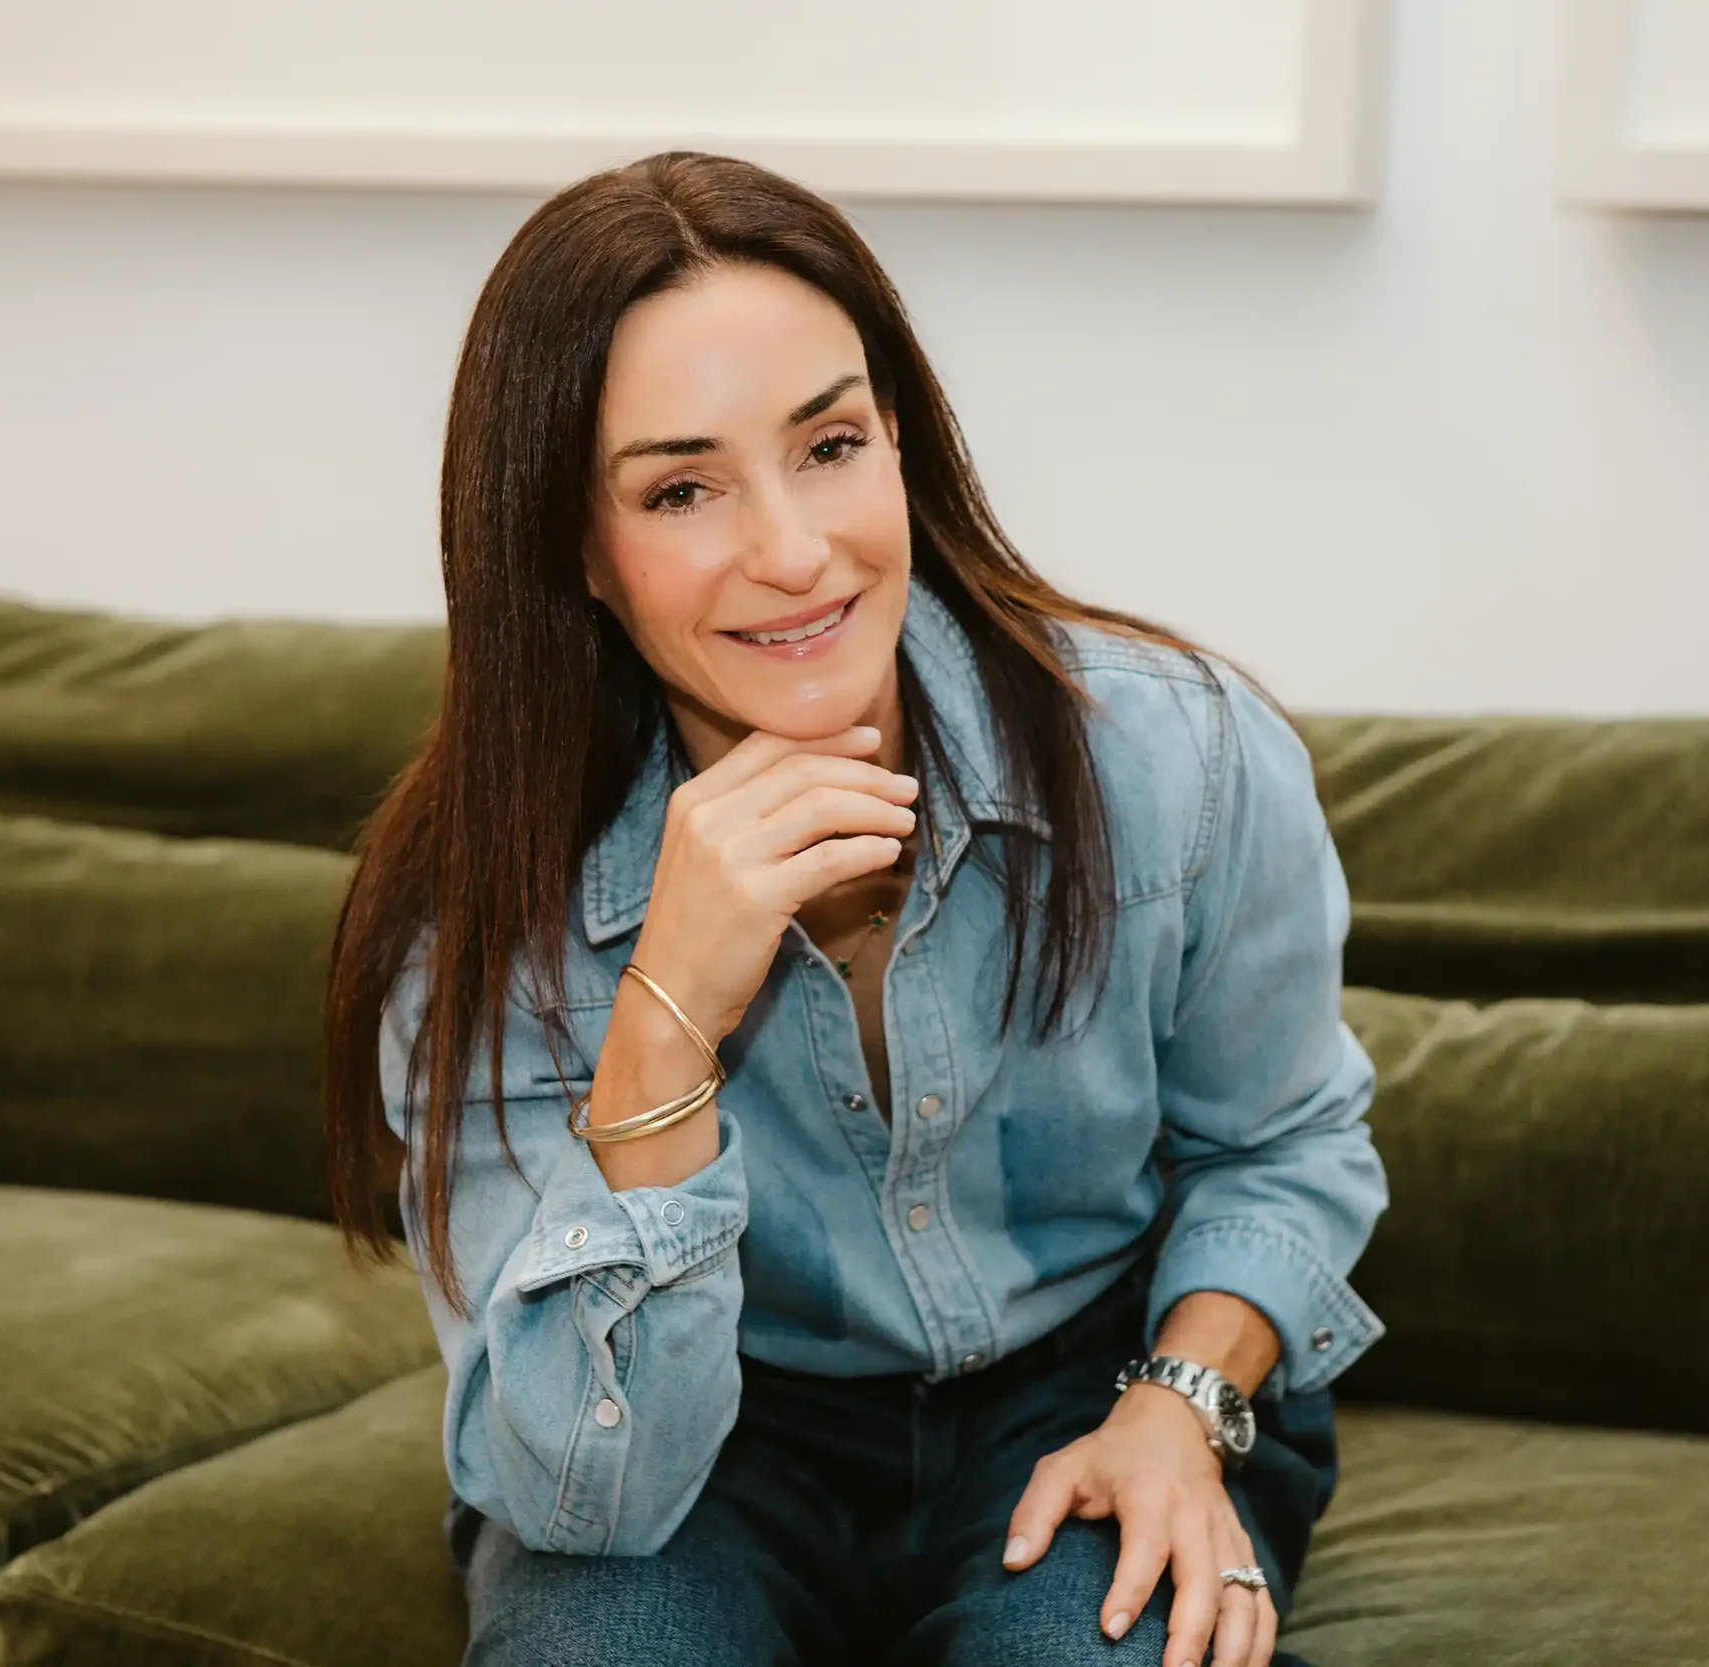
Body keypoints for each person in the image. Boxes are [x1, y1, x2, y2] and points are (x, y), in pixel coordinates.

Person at [323, 151, 1386, 1667]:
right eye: (682, 488)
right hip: (710, 1421)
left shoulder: (1181, 758)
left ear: (900, 441)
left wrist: (1182, 1408)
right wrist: (667, 1013)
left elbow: (1284, 1143)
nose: (795, 551)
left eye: (827, 445)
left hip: (1100, 1374)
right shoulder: (474, 914)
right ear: (580, 555)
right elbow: (574, 1478)